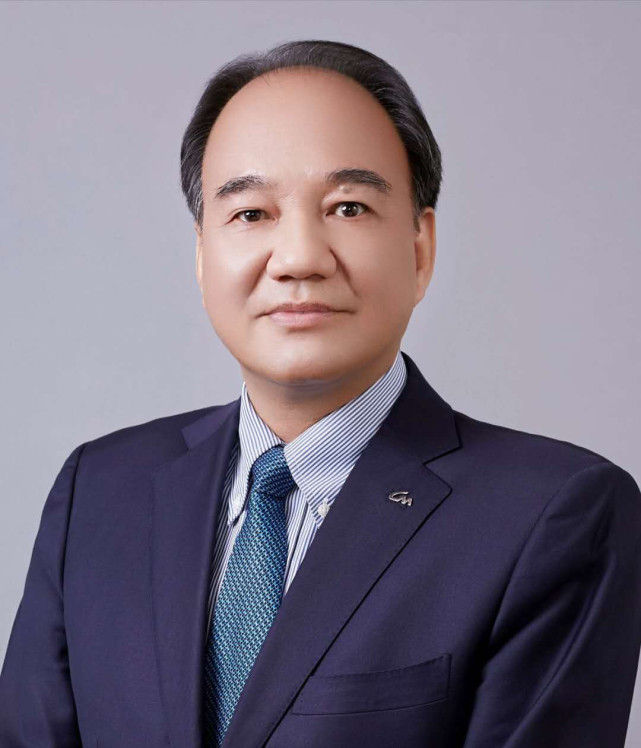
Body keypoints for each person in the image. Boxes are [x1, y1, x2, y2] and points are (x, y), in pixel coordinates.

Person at [1, 39, 640, 748]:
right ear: (202, 254)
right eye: (251, 214)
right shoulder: (98, 493)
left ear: (420, 248)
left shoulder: (554, 515)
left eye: (348, 207)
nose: (300, 258)